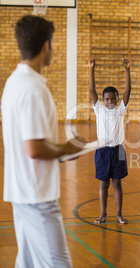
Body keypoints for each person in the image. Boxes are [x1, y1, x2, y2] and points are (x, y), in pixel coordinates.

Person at [1, 15, 84, 267]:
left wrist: (62, 151)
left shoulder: (13, 82)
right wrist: (66, 149)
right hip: (37, 196)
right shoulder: (34, 89)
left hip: (21, 191)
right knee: (58, 263)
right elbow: (34, 148)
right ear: (46, 45)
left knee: (26, 262)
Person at [89, 57, 131, 224]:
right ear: (103, 100)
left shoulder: (120, 110)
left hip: (118, 150)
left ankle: (119, 214)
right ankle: (103, 214)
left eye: (113, 99)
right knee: (104, 184)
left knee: (117, 183)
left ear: (117, 99)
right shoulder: (99, 109)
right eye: (107, 99)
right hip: (103, 151)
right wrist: (91, 68)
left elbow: (128, 90)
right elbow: (92, 89)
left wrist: (127, 69)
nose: (110, 102)